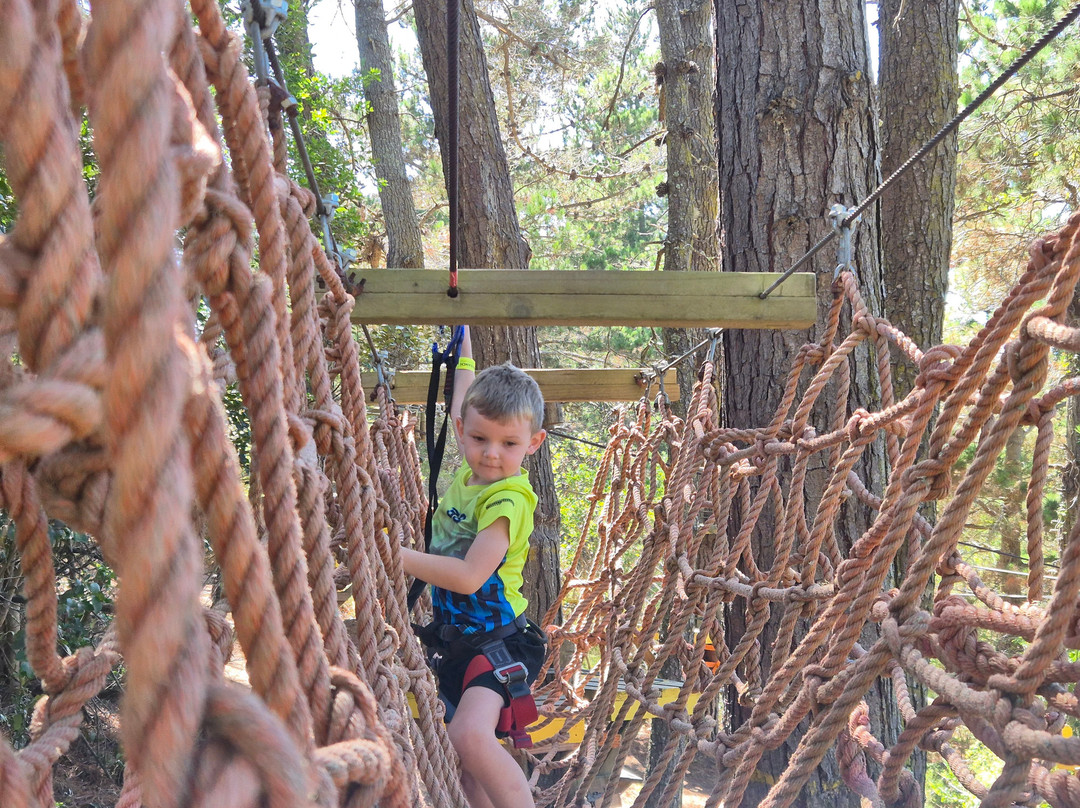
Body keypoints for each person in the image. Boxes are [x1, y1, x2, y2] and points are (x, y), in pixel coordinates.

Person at [400, 326, 548, 808]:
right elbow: (464, 402)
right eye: (480, 437)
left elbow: (468, 576)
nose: (490, 453)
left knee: (469, 735)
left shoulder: (508, 499)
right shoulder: (471, 471)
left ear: (534, 443)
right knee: (464, 772)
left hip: (502, 645)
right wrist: (463, 354)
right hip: (457, 641)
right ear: (461, 431)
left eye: (509, 443)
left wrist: (392, 557)